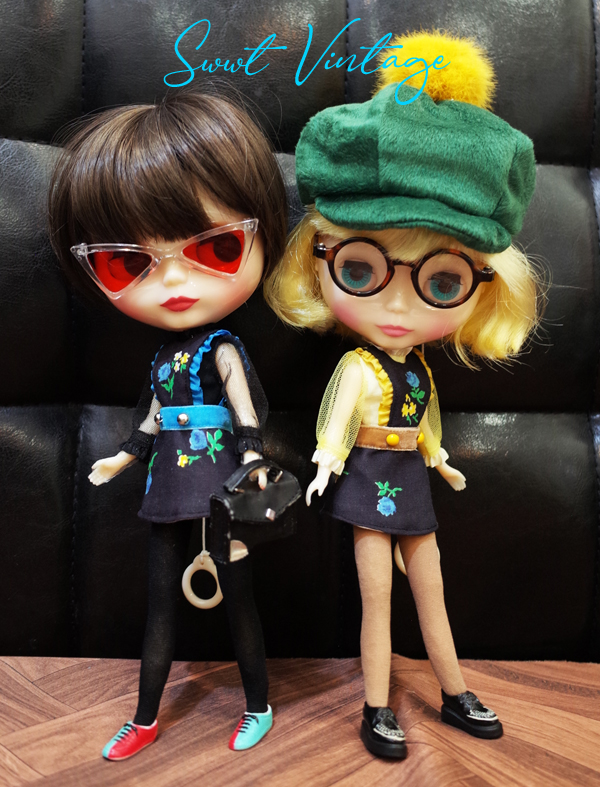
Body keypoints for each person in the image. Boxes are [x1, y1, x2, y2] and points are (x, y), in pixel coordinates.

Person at [265, 32, 541, 759]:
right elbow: (335, 421)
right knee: (377, 601)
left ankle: (454, 689)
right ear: (319, 260)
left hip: (412, 480)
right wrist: (326, 463)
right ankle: (377, 705)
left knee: (432, 590)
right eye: (361, 269)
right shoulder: (360, 366)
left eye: (442, 281)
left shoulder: (416, 369)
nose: (396, 306)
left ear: (486, 287)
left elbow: (427, 417)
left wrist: (439, 456)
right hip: (365, 482)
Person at [48, 92, 287, 759]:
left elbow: (245, 412)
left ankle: (259, 704)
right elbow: (152, 420)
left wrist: (253, 460)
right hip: (165, 487)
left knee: (239, 601)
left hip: (225, 487)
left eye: (216, 248)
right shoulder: (159, 359)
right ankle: (146, 716)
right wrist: (122, 457)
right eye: (128, 262)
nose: (176, 281)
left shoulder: (223, 348)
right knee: (160, 604)